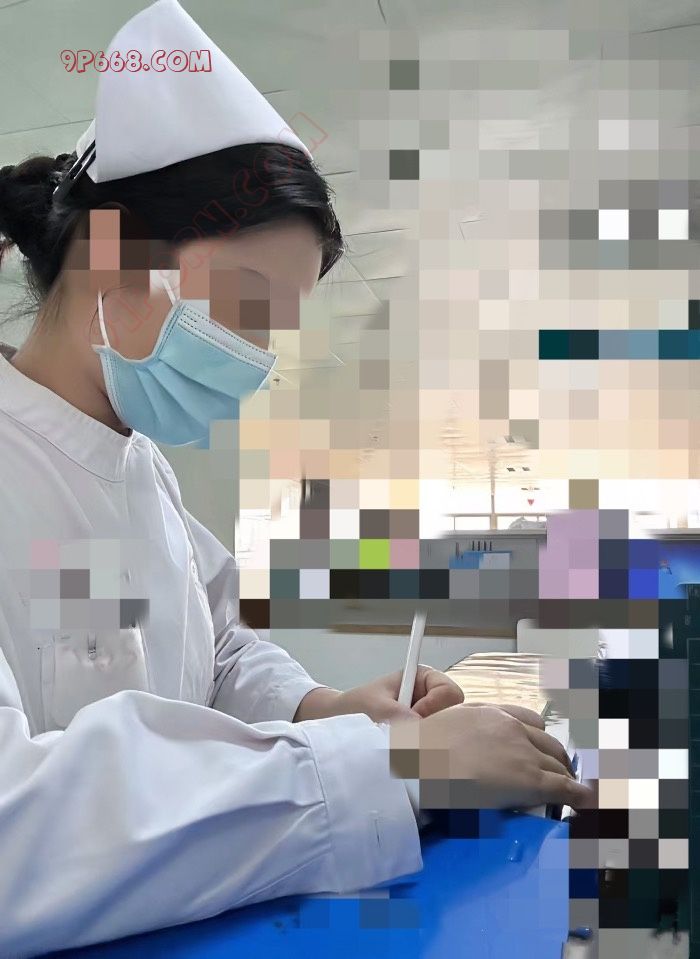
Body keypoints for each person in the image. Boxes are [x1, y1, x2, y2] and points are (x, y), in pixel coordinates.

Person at [0, 2, 592, 956]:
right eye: (244, 306)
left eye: (270, 331)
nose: (251, 360)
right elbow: (15, 833)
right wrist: (392, 767)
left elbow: (216, 653)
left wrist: (325, 708)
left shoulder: (139, 471)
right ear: (112, 254)